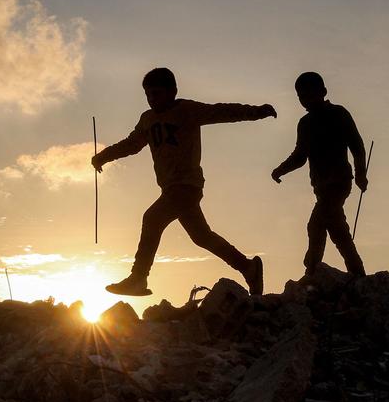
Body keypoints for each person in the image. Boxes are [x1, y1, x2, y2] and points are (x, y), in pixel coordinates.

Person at [91, 67, 276, 296]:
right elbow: (131, 144)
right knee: (201, 237)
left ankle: (139, 278)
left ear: (173, 91)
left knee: (152, 219)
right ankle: (248, 267)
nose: (151, 99)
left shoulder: (186, 110)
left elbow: (222, 112)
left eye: (156, 94)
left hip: (187, 186)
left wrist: (257, 112)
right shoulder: (147, 120)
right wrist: (104, 156)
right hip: (170, 188)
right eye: (148, 95)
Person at [271, 71, 367, 277]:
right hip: (321, 187)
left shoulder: (339, 114)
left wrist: (360, 174)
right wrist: (281, 169)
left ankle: (313, 271)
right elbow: (300, 156)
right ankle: (356, 274)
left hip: (339, 183)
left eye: (309, 95)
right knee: (335, 229)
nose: (305, 101)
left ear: (323, 92)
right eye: (301, 97)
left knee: (316, 225)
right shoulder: (305, 124)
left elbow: (357, 146)